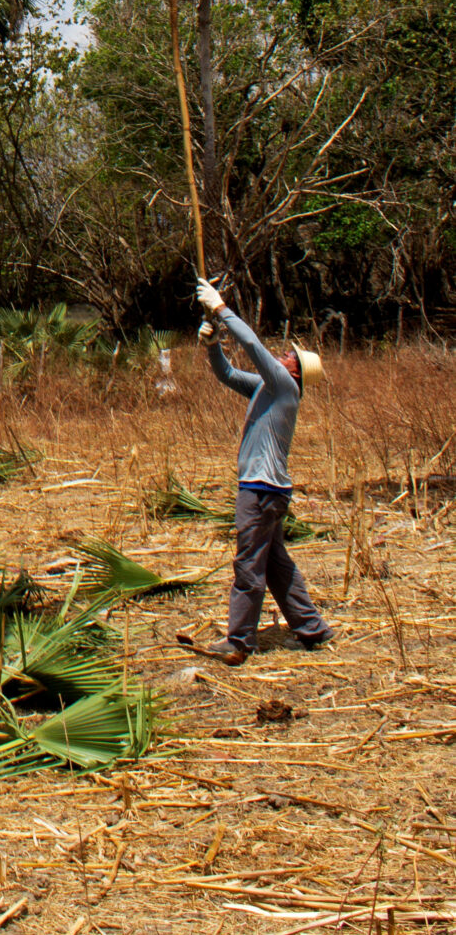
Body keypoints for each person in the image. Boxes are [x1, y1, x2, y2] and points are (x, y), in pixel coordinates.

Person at [193, 276, 333, 666]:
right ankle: (312, 629)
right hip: (271, 490)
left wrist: (221, 309)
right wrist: (212, 345)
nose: (284, 355)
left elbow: (253, 347)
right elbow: (227, 375)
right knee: (275, 565)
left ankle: (239, 641)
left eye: (290, 356)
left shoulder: (285, 388)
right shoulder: (268, 388)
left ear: (296, 373)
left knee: (249, 564)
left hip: (260, 490)